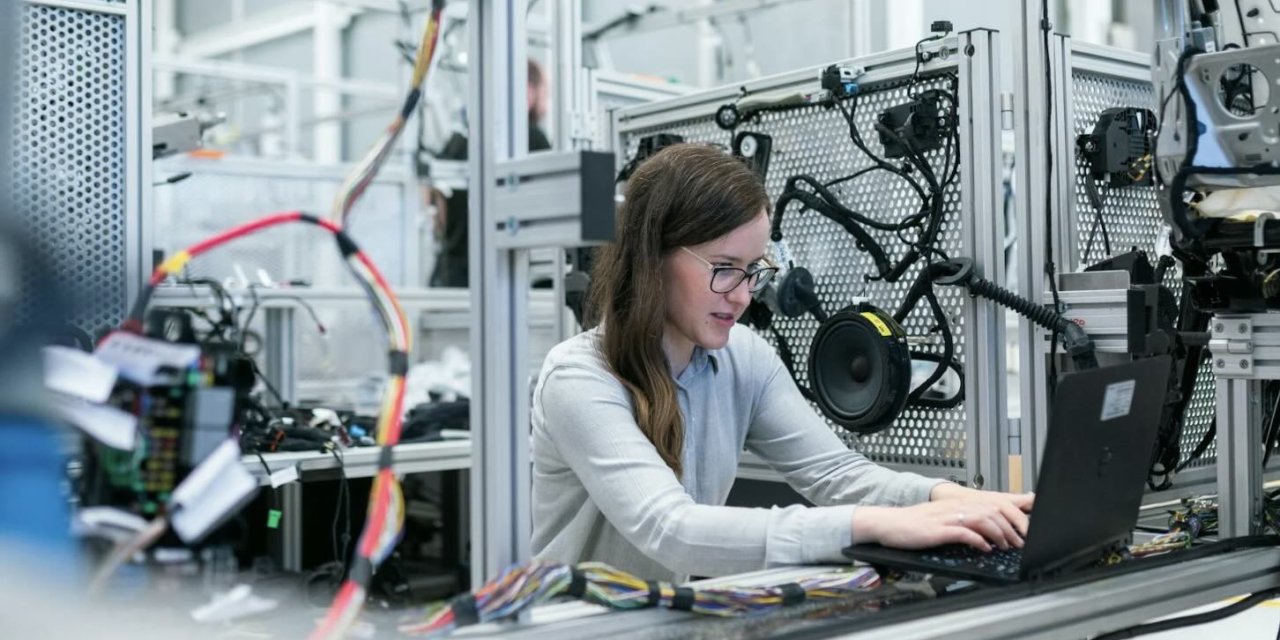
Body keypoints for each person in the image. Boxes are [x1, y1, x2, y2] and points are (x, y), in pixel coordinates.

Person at [530, 144, 1033, 581]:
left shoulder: (743, 358)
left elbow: (837, 474)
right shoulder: (579, 377)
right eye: (725, 269)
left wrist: (951, 499)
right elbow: (671, 530)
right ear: (652, 257)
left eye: (754, 271)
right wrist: (871, 525)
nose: (744, 296)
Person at [428, 59, 552, 287]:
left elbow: (436, 209)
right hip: (503, 277)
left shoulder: (458, 140)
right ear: (527, 90)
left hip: (451, 277)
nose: (546, 100)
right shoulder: (530, 137)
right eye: (544, 91)